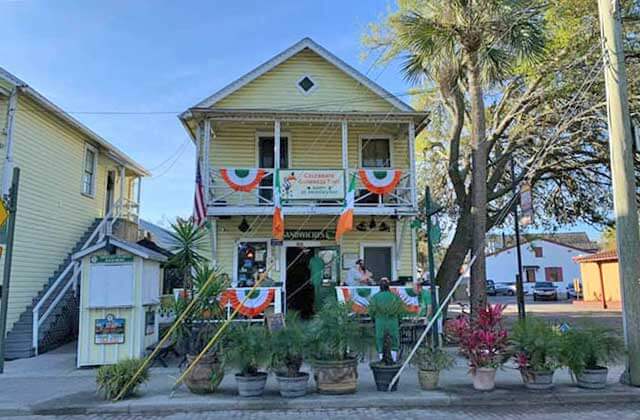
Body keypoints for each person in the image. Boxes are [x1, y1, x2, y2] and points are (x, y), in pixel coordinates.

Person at [369, 278, 402, 362]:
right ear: (389, 287)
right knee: (394, 339)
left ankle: (382, 359)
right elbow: (400, 310)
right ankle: (393, 360)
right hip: (393, 321)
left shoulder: (375, 297)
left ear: (379, 287)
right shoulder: (395, 297)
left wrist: (373, 318)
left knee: (380, 339)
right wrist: (399, 320)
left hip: (380, 321)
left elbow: (372, 310)